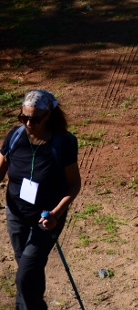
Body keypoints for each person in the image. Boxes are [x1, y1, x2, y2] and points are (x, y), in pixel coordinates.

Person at [0, 90, 81, 310]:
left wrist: (56, 213)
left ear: (48, 116)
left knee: (26, 272)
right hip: (16, 214)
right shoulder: (15, 136)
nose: (28, 123)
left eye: (34, 119)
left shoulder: (63, 142)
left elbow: (74, 184)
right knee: (29, 272)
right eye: (23, 117)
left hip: (47, 219)